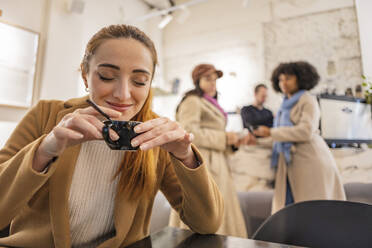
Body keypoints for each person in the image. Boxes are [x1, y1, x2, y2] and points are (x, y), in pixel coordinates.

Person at [0, 25, 223, 247]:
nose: (123, 94)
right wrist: (44, 151)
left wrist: (186, 157)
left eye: (139, 81)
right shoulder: (46, 115)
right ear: (86, 75)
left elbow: (207, 224)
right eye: (107, 76)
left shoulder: (155, 136)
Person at [254, 61, 346, 213]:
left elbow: (305, 131)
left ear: (300, 78)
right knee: (293, 211)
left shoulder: (308, 100)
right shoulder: (284, 105)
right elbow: (281, 135)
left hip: (311, 161)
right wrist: (256, 140)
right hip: (291, 164)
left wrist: (270, 132)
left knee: (316, 211)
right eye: (280, 79)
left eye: (288, 78)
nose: (283, 83)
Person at [168, 63, 248, 238]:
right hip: (202, 163)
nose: (213, 83)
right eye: (208, 79)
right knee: (205, 210)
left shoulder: (208, 102)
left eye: (215, 79)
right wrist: (223, 138)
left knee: (218, 212)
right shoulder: (193, 101)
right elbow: (188, 132)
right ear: (198, 81)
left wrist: (232, 142)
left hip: (218, 163)